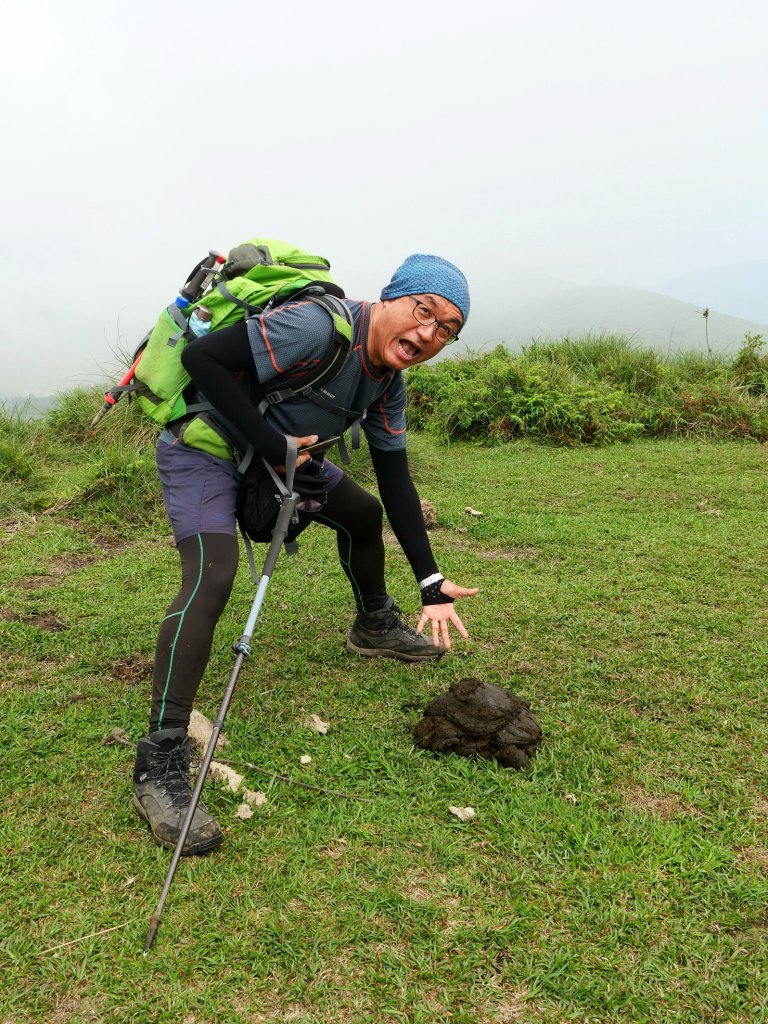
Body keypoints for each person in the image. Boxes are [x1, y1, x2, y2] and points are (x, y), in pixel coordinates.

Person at [132, 253, 479, 855]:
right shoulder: (318, 326)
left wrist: (431, 580)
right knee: (213, 578)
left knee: (363, 512)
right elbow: (201, 358)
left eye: (448, 329)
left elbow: (396, 483)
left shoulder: (387, 382)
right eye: (424, 312)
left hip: (287, 457)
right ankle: (159, 762)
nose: (429, 334)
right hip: (205, 447)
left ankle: (375, 623)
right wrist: (274, 447)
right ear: (393, 298)